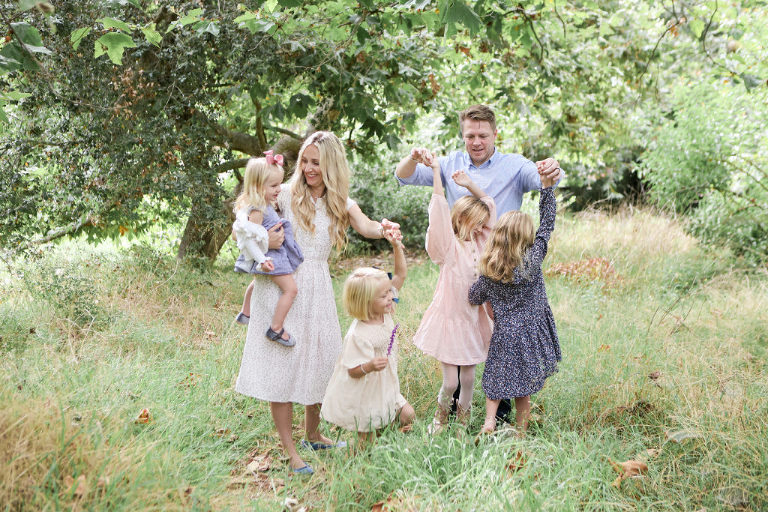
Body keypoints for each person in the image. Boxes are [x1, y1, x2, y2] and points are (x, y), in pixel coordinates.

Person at [234, 131, 400, 475]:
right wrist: (265, 238)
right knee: (282, 367)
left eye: (316, 163)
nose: (308, 169)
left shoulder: (339, 199)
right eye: (305, 161)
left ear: (331, 165)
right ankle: (291, 451)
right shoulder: (284, 194)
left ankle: (313, 433)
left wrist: (384, 229)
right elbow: (247, 210)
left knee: (320, 359)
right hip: (284, 285)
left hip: (318, 286)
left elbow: (366, 226)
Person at [395, 103, 563, 421]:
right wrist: (413, 159)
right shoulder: (448, 164)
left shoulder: (515, 165)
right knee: (467, 336)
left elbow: (542, 179)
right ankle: (460, 409)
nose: (476, 141)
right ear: (463, 135)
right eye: (470, 135)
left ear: (495, 134)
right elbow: (403, 177)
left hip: (504, 267)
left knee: (505, 336)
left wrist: (549, 172)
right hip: (463, 264)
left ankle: (501, 410)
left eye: (482, 135)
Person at [468, 170, 561, 435]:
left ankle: (489, 422)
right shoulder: (533, 258)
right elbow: (547, 225)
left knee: (495, 379)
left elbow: (474, 297)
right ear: (526, 236)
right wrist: (547, 190)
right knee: (524, 387)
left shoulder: (491, 271)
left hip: (505, 333)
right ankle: (521, 432)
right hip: (530, 332)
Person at [412, 157, 495, 433]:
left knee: (470, 380)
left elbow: (491, 206)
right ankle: (440, 419)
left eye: (482, 223)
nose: (479, 227)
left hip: (472, 322)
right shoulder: (448, 247)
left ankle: (462, 424)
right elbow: (438, 212)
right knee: (450, 382)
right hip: (450, 321)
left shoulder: (482, 243)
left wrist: (470, 185)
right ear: (461, 219)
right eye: (475, 222)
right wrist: (437, 172)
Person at [320, 230, 414, 446]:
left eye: (390, 292)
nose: (391, 296)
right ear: (366, 302)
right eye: (384, 295)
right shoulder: (358, 334)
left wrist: (396, 247)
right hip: (367, 391)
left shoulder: (385, 309)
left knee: (408, 415)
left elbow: (399, 276)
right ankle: (359, 461)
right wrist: (370, 365)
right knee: (366, 440)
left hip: (387, 385)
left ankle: (383, 436)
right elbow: (351, 370)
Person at [232, 152, 303, 347]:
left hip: (269, 256)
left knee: (257, 282)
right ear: (257, 186)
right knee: (291, 289)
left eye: (280, 184)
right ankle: (276, 328)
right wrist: (263, 255)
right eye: (273, 186)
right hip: (271, 257)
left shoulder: (262, 204)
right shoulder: (257, 210)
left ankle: (246, 311)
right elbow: (249, 236)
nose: (279, 189)